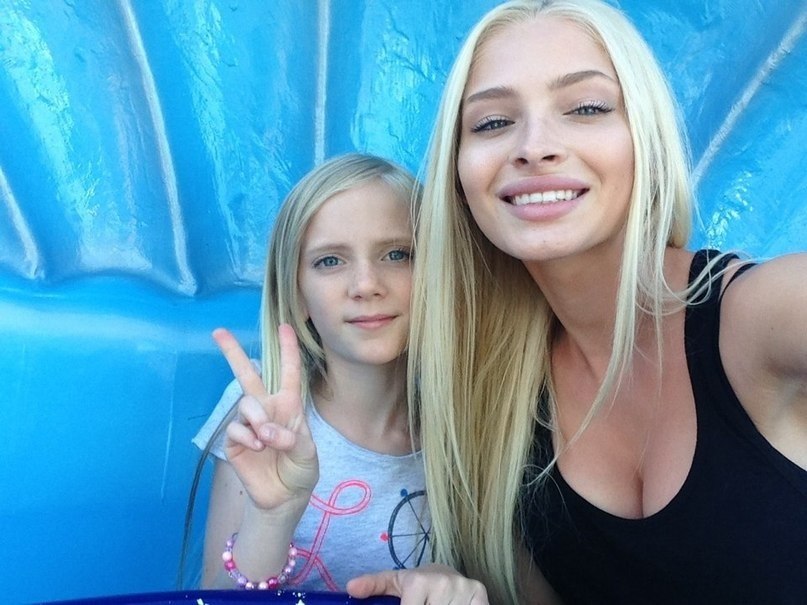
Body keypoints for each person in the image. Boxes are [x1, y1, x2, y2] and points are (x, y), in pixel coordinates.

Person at [350, 1, 807, 603]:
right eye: (492, 122)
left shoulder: (763, 312)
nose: (534, 146)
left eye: (586, 108)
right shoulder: (493, 407)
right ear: (458, 176)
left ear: (644, 139)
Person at [190, 153, 442, 593]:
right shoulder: (261, 409)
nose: (366, 284)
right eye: (330, 261)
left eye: (397, 254)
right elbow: (214, 598)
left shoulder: (466, 427)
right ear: (297, 293)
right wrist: (272, 516)